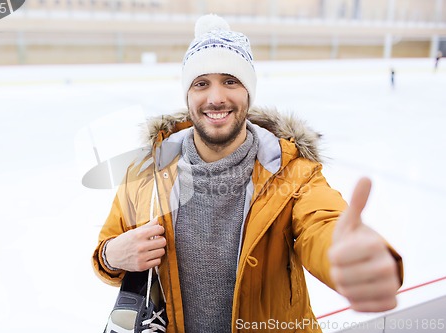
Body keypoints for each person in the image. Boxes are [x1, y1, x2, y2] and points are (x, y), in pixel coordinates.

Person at [92, 14, 403, 333]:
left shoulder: (292, 171)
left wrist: (344, 254)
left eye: (230, 81)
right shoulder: (146, 173)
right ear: (187, 95)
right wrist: (112, 254)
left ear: (249, 93)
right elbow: (107, 251)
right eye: (201, 83)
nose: (215, 98)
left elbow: (322, 223)